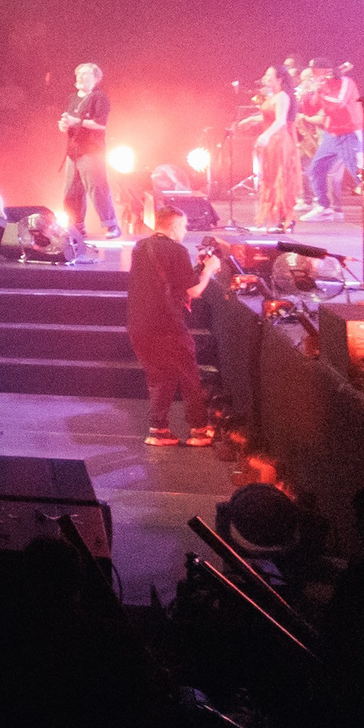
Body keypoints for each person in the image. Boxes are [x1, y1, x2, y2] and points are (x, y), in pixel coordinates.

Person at [127, 195, 217, 446]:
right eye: (184, 226)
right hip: (167, 325)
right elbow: (194, 291)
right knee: (189, 375)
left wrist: (196, 270)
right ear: (175, 225)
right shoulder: (177, 250)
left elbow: (167, 280)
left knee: (160, 377)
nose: (186, 231)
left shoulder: (140, 247)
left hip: (138, 324)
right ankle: (199, 429)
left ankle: (158, 431)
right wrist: (209, 269)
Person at [57, 62, 118, 239]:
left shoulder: (99, 98)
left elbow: (100, 124)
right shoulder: (72, 98)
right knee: (71, 192)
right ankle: (76, 226)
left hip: (91, 151)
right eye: (78, 73)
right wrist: (64, 125)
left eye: (85, 74)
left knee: (97, 189)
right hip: (73, 151)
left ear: (96, 78)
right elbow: (71, 121)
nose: (80, 77)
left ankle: (111, 224)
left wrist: (76, 122)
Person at [240, 67, 304, 231]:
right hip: (273, 142)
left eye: (269, 75)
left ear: (279, 79)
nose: (265, 77)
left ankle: (286, 219)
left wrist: (266, 135)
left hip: (279, 141)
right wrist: (252, 120)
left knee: (280, 180)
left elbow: (280, 120)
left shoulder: (282, 96)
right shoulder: (274, 96)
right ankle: (283, 219)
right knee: (272, 178)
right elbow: (270, 116)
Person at [300, 59, 363, 221]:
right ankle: (324, 208)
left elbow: (339, 103)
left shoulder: (346, 82)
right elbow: (311, 110)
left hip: (349, 132)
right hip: (331, 133)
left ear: (326, 70)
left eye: (315, 71)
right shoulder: (323, 86)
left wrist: (321, 90)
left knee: (359, 174)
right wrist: (306, 95)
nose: (313, 75)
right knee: (316, 169)